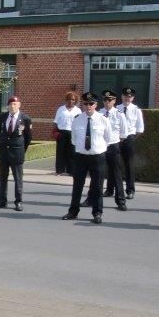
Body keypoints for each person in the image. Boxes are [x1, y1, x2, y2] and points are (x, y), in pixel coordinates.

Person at [62, 92, 113, 224]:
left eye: (91, 103)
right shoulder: (77, 119)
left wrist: (98, 149)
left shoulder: (103, 119)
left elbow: (108, 139)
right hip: (81, 157)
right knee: (77, 185)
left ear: (96, 105)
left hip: (97, 157)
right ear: (82, 105)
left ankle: (97, 213)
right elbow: (73, 139)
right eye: (86, 103)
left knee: (97, 186)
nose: (88, 106)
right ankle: (73, 211)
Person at [82, 89, 130, 210]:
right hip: (100, 148)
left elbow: (124, 134)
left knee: (117, 174)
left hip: (113, 146)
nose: (107, 102)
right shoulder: (98, 114)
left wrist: (113, 143)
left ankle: (121, 201)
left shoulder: (120, 114)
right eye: (105, 100)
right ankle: (90, 199)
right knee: (96, 176)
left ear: (114, 101)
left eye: (110, 100)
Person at [0, 96, 32, 212]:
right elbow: (0, 133)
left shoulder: (25, 118)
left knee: (18, 178)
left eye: (15, 104)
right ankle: (2, 200)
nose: (12, 106)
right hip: (4, 152)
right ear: (8, 106)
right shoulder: (3, 117)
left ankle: (18, 201)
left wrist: (22, 149)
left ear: (19, 105)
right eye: (10, 104)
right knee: (3, 178)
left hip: (17, 152)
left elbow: (28, 137)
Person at [117, 87, 145, 199]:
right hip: (117, 140)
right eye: (125, 96)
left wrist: (131, 138)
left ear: (132, 98)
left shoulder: (136, 110)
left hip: (129, 139)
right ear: (121, 96)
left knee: (129, 165)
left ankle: (130, 190)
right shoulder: (116, 109)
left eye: (129, 97)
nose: (127, 98)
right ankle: (112, 189)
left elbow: (139, 129)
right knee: (115, 165)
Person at [53, 92, 80, 176]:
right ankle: (59, 170)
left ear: (75, 101)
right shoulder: (61, 109)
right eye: (69, 99)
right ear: (66, 100)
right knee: (60, 152)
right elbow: (56, 121)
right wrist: (56, 131)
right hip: (62, 132)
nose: (70, 101)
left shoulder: (78, 110)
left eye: (72, 100)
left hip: (72, 132)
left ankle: (71, 170)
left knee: (72, 152)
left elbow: (79, 122)